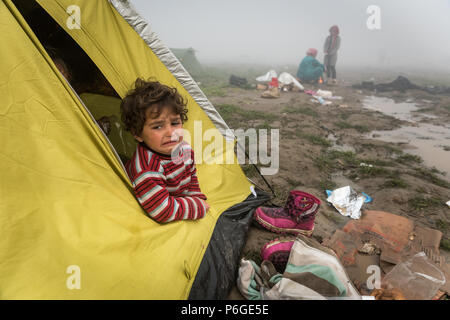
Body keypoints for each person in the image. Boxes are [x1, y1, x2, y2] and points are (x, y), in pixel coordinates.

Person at [121, 79, 209, 223]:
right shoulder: (147, 170)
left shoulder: (184, 148)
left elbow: (191, 176)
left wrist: (196, 197)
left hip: (174, 199)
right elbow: (162, 211)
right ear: (137, 134)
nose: (170, 132)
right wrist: (197, 206)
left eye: (175, 123)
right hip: (157, 204)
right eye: (157, 127)